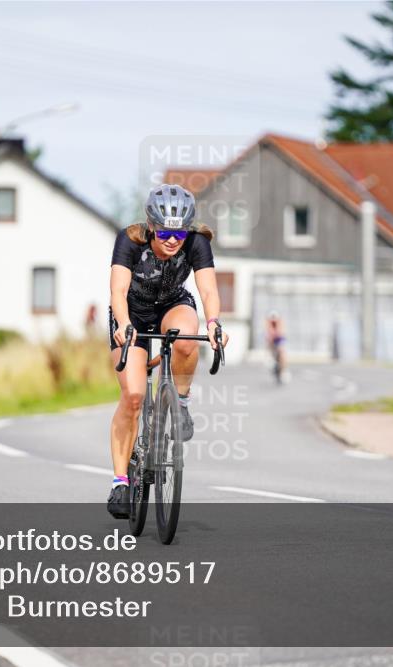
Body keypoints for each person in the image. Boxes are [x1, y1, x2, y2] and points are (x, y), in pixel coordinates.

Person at [106, 184, 229, 518]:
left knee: (188, 339)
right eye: (164, 232)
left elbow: (207, 290)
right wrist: (122, 324)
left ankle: (182, 402)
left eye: (179, 232)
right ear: (150, 226)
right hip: (132, 314)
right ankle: (120, 482)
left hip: (173, 305)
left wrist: (215, 322)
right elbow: (118, 291)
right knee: (132, 397)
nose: (173, 240)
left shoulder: (196, 243)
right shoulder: (129, 241)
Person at [265, 311, 287, 384]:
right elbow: (269, 337)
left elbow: (280, 334)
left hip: (278, 339)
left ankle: (282, 371)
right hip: (272, 341)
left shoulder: (280, 324)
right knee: (271, 350)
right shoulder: (269, 324)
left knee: (282, 353)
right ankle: (273, 363)